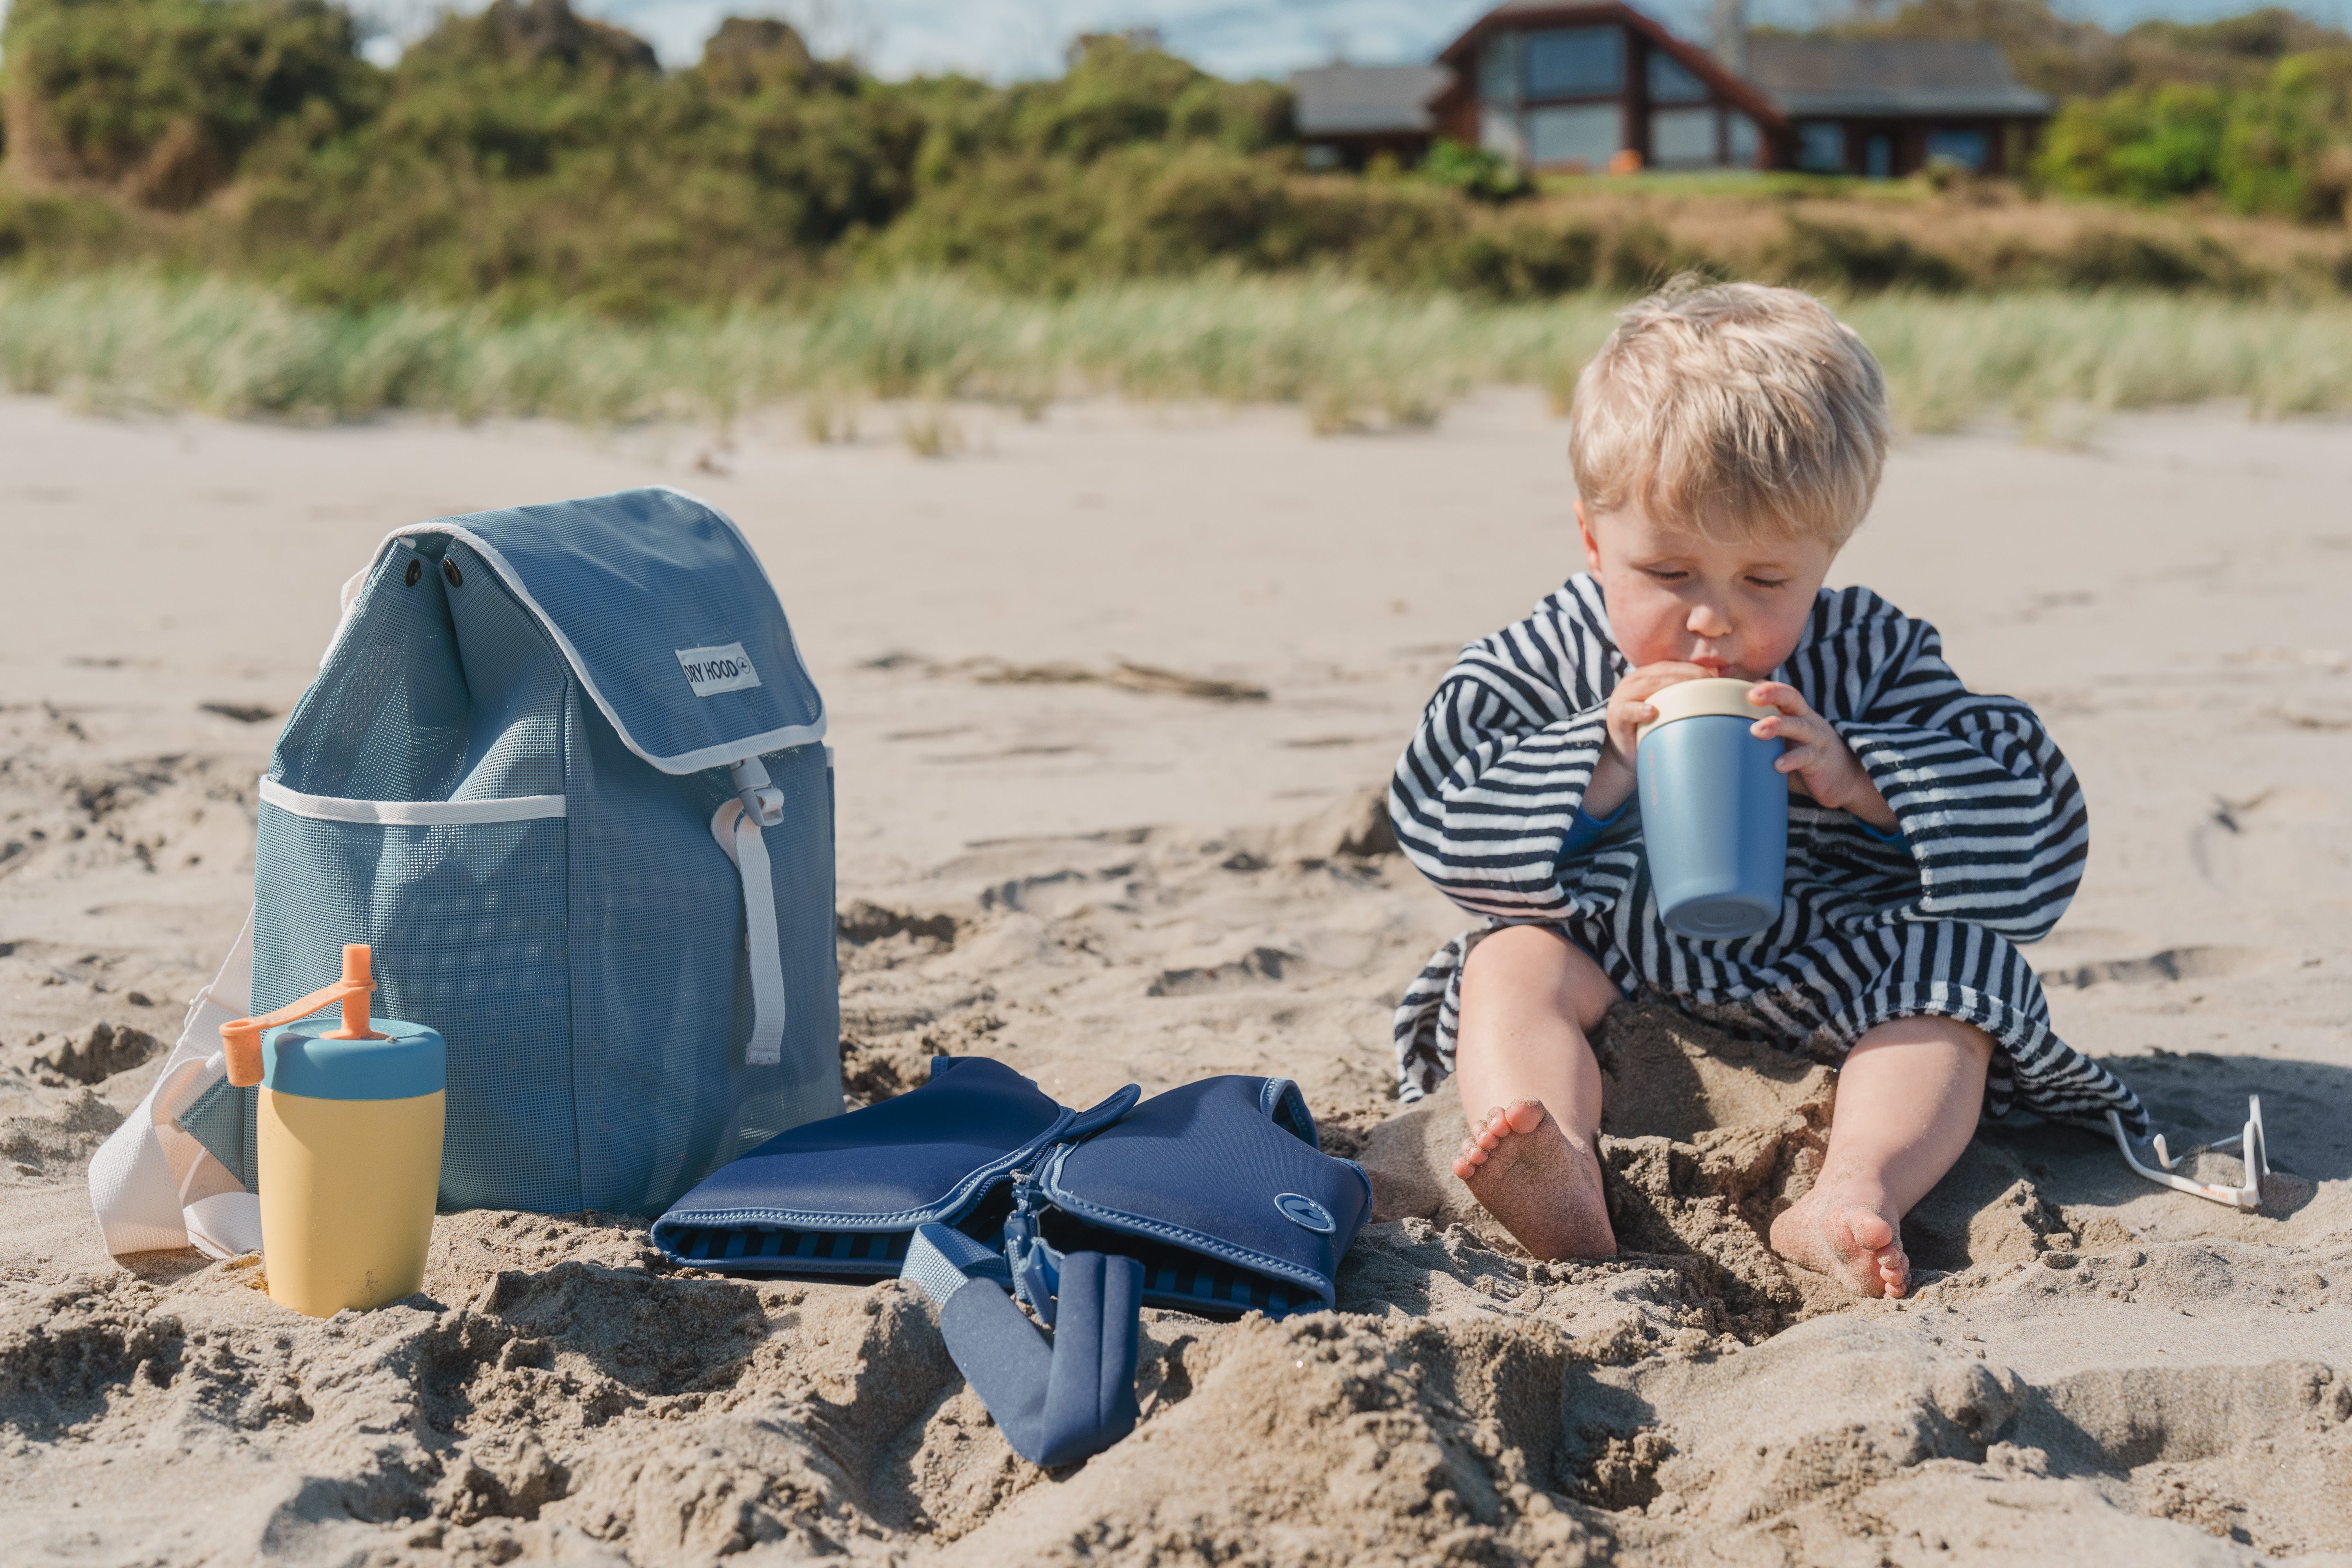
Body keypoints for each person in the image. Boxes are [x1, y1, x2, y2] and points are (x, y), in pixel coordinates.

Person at [1386, 278, 2145, 1299]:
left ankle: (1853, 1187)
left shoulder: (1871, 651)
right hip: (1618, 962)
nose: (1712, 619)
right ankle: (1554, 1155)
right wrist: (1599, 756)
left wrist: (1864, 774)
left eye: (1765, 581)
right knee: (1510, 959)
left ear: (1828, 557)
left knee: (1964, 979)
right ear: (1593, 541)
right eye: (1669, 572)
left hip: (1828, 968)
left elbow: (2036, 823)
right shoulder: (1548, 654)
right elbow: (1439, 810)